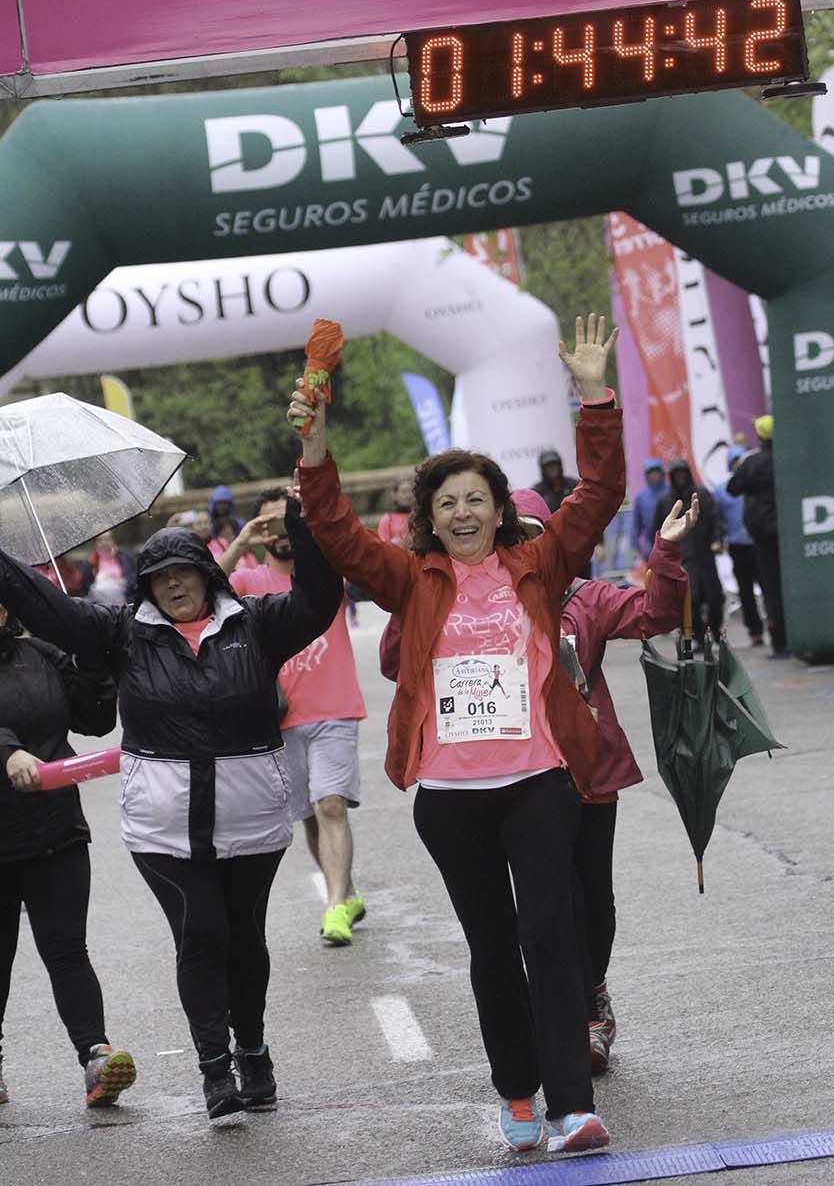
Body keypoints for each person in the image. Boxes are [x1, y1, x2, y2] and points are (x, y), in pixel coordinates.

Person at [289, 313, 623, 1155]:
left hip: (541, 782)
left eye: (477, 499)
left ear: (500, 511)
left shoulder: (539, 565)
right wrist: (315, 439)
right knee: (493, 949)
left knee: (554, 936)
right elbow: (332, 528)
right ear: (429, 522)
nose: (465, 512)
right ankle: (518, 1094)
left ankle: (573, 1107)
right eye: (448, 503)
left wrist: (595, 394)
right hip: (451, 798)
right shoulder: (409, 578)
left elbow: (600, 495)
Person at [0, 504, 340, 1123]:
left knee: (245, 942)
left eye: (185, 570)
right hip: (165, 829)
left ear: (209, 573)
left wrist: (306, 516)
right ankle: (216, 1070)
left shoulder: (258, 623)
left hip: (252, 823)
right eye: (160, 577)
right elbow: (47, 611)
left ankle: (254, 1052)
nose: (174, 583)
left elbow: (319, 599)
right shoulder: (123, 632)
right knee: (203, 931)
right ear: (146, 587)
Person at [382, 485, 696, 1075]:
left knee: (592, 902)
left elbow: (657, 615)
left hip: (586, 772)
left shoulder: (585, 597)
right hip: (504, 780)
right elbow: (396, 661)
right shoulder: (455, 595)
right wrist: (415, 605)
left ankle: (591, 992)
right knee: (543, 916)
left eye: (532, 535)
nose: (519, 546)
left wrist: (667, 555)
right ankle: (562, 1021)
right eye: (513, 535)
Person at [0, 605, 135, 1111]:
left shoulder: (41, 654)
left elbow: (97, 720)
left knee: (67, 951)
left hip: (55, 828)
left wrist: (93, 664)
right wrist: (7, 751)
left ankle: (97, 1059)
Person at [221, 488, 368, 949]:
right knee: (309, 815)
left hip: (334, 708)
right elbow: (201, 592)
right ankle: (348, 892)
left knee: (330, 805)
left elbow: (359, 551)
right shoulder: (247, 582)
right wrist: (240, 545)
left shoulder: (325, 571)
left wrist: (316, 515)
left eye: (287, 522)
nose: (280, 533)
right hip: (279, 718)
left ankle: (334, 906)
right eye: (269, 524)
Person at [728, 416, 788, 658]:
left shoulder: (752, 463)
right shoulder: (788, 458)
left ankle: (780, 642)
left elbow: (733, 488)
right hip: (790, 532)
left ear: (760, 436)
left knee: (771, 588)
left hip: (763, 535)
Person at [653, 459, 723, 644]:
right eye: (676, 474)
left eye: (683, 473)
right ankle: (698, 637)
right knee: (690, 601)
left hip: (704, 556)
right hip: (682, 561)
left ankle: (715, 630)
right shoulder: (666, 502)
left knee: (715, 598)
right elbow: (658, 530)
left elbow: (715, 518)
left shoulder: (701, 495)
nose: (680, 478)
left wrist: (717, 539)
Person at [713, 448, 764, 646]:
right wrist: (718, 538)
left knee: (767, 585)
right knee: (745, 591)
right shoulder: (722, 490)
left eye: (741, 460)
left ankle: (776, 626)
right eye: (734, 461)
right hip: (737, 546)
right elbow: (716, 518)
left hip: (758, 541)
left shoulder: (757, 484)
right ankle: (755, 630)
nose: (738, 465)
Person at [80, 530, 137, 606]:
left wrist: (126, 582)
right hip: (101, 604)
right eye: (100, 540)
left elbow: (134, 575)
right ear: (95, 543)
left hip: (126, 599)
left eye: (107, 539)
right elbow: (86, 584)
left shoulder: (126, 557)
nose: (104, 542)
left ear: (113, 540)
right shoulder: (90, 562)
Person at [630, 459, 667, 561]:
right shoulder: (641, 498)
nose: (654, 475)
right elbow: (636, 526)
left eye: (656, 471)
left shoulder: (671, 493)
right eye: (650, 472)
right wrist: (635, 548)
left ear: (662, 473)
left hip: (672, 545)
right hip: (651, 548)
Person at [532, 449, 579, 514]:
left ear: (560, 466)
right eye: (548, 466)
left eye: (554, 465)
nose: (552, 469)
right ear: (543, 469)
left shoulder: (573, 484)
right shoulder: (537, 492)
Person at [378, 475, 414, 546]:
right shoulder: (387, 520)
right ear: (394, 495)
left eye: (410, 491)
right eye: (403, 492)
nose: (407, 495)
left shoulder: (420, 515)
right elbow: (383, 547)